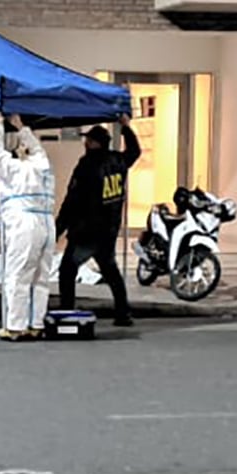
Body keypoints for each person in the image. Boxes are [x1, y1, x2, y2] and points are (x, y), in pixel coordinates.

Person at [56, 115, 141, 327]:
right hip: (108, 229)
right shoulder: (118, 161)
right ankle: (123, 313)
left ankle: (67, 312)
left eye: (89, 140)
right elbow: (135, 152)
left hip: (86, 230)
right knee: (110, 270)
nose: (85, 143)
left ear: (95, 143)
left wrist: (58, 228)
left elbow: (72, 200)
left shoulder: (87, 165)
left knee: (67, 270)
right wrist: (126, 127)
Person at [0, 110, 56, 342]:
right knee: (40, 277)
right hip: (46, 222)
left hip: (25, 224)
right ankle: (36, 323)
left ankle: (15, 326)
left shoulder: (13, 168)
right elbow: (36, 148)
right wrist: (20, 126)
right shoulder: (42, 165)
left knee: (18, 274)